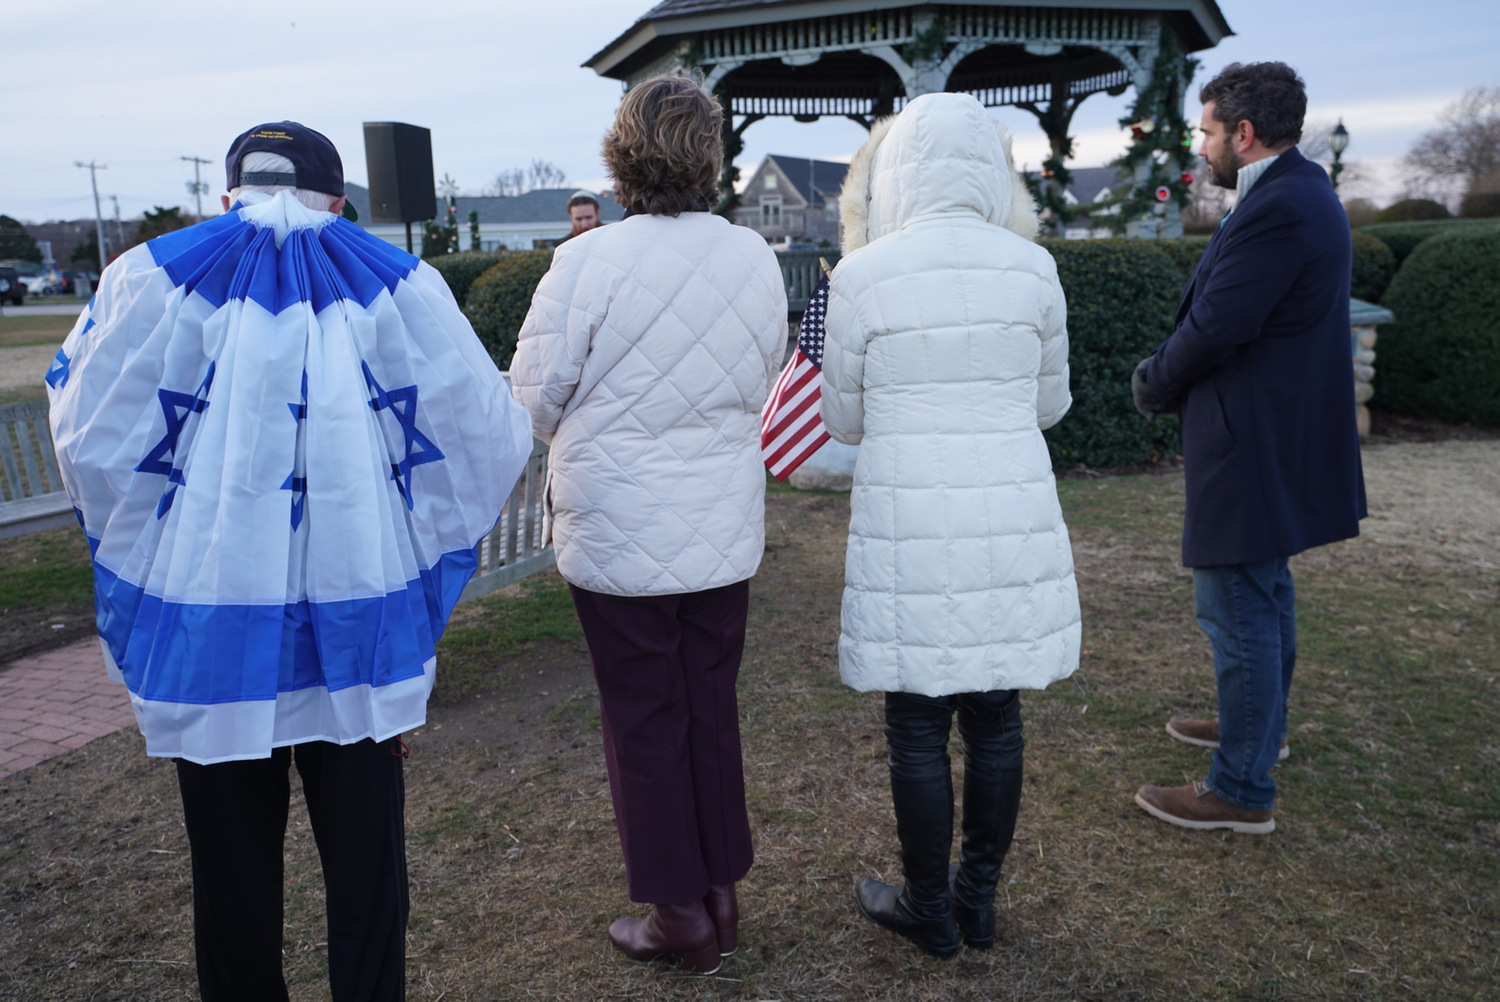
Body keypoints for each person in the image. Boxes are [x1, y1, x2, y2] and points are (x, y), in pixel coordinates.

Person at [45, 121, 534, 1001]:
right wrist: (417, 546)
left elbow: (85, 427)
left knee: (230, 884)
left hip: (210, 629)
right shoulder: (399, 285)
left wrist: (142, 530)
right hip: (359, 621)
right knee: (367, 875)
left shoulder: (150, 280)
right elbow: (487, 429)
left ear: (227, 193)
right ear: (339, 202)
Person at [509, 77, 786, 974]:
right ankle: (721, 896)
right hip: (719, 520)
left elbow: (536, 402)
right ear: (710, 153)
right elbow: (762, 375)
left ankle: (679, 912)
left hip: (620, 522)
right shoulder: (752, 257)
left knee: (644, 717)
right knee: (708, 708)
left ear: (622, 155)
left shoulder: (585, 263)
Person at [820, 91, 1081, 959]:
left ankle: (927, 905)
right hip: (1008, 508)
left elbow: (844, 422)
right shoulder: (1032, 268)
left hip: (909, 512)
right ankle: (977, 902)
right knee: (995, 714)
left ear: (894, 171)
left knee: (918, 721)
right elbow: (1052, 405)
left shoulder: (861, 275)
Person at [1131, 62, 1366, 834]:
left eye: (1206, 131)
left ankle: (1239, 786)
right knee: (1262, 593)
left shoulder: (1281, 207)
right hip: (1272, 433)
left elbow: (1219, 326)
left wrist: (1153, 382)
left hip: (1254, 438)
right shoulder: (1300, 193)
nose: (1200, 146)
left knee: (1236, 605)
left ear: (1244, 133)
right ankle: (1258, 733)